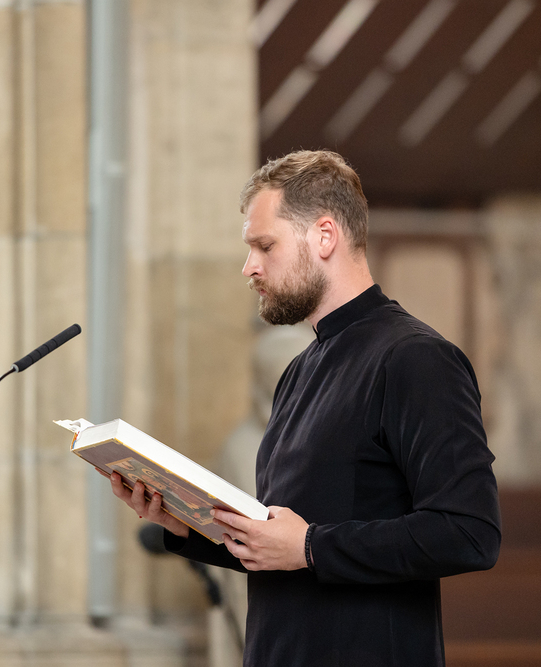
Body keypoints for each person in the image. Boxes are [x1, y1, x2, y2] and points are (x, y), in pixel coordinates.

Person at [111, 150, 501, 666]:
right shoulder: (298, 370)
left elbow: (469, 532)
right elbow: (279, 542)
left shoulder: (415, 358)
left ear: (324, 236)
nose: (249, 266)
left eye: (264, 246)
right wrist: (185, 523)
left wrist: (312, 547)